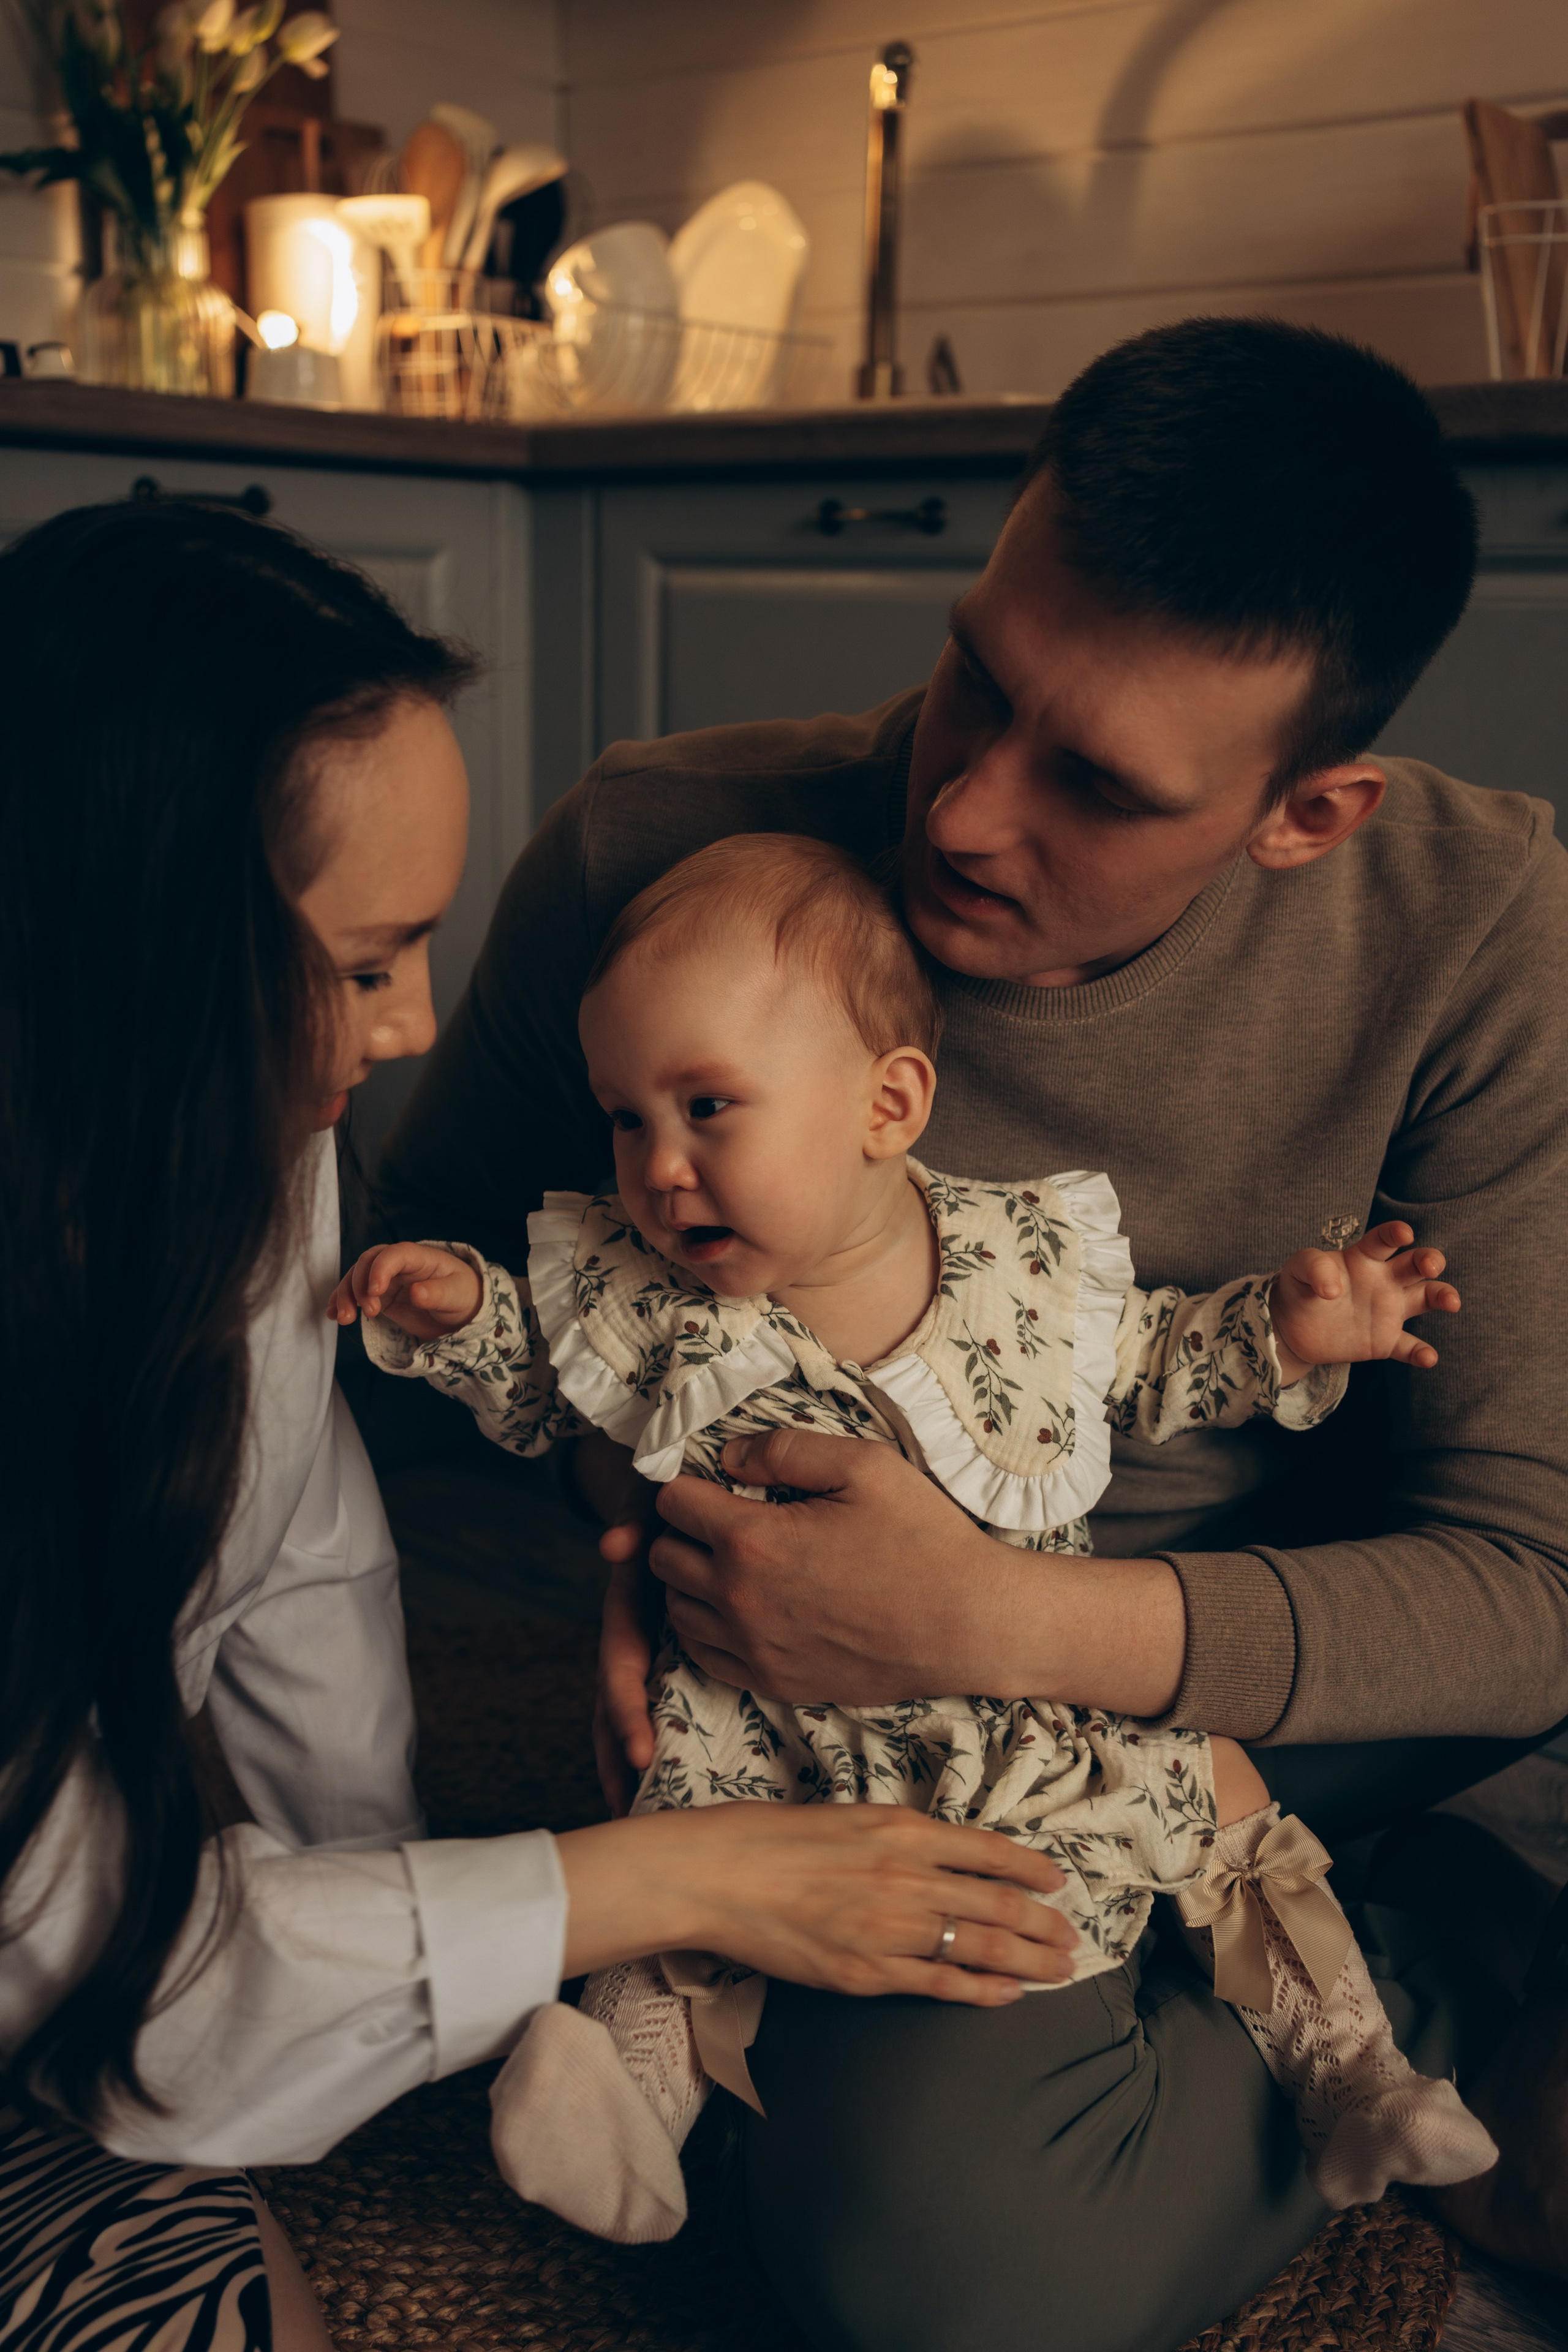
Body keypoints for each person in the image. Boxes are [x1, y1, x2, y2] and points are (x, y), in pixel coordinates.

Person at [375, 316, 1568, 2346]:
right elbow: (433, 1326)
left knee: (944, 2273)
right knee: (876, 2223)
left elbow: (1531, 1589)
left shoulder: (1481, 929)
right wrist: (665, 1545)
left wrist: (997, 1630)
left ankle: (1410, 1941)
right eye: (978, 679)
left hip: (1258, 1683)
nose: (965, 811)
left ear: (1310, 812)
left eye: (1097, 783)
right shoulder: (660, 860)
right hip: (814, 1723)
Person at [0, 500, 1077, 2352]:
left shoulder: (237, 1145)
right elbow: (122, 2002)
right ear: (130, 953)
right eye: (359, 964)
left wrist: (406, 1897)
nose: (416, 1027)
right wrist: (662, 1881)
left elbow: (297, 1543)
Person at [340, 827, 1494, 2247]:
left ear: (885, 1105)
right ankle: (626, 2109)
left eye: (707, 1106)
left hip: (1027, 1677)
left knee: (1215, 1800)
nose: (658, 1168)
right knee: (684, 1850)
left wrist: (1290, 1329)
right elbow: (542, 1371)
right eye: (625, 1119)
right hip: (754, 1700)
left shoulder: (1021, 1262)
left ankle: (1351, 2071)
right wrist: (454, 1307)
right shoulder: (642, 1295)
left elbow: (1148, 1362)